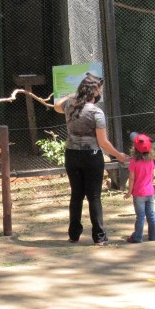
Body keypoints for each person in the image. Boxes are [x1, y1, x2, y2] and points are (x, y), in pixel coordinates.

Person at [54, 73, 129, 245]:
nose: (100, 92)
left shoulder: (69, 106)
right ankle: (99, 236)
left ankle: (74, 235)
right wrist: (119, 155)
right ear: (94, 91)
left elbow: (56, 105)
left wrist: (72, 95)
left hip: (71, 154)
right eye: (99, 89)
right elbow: (102, 141)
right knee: (94, 196)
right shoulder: (96, 112)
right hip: (91, 156)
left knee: (76, 195)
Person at [124, 134, 155, 243]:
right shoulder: (150, 161)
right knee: (151, 214)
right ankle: (154, 236)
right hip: (150, 191)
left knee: (140, 216)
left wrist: (129, 192)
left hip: (139, 193)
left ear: (134, 148)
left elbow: (131, 178)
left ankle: (137, 237)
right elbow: (152, 175)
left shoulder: (133, 162)